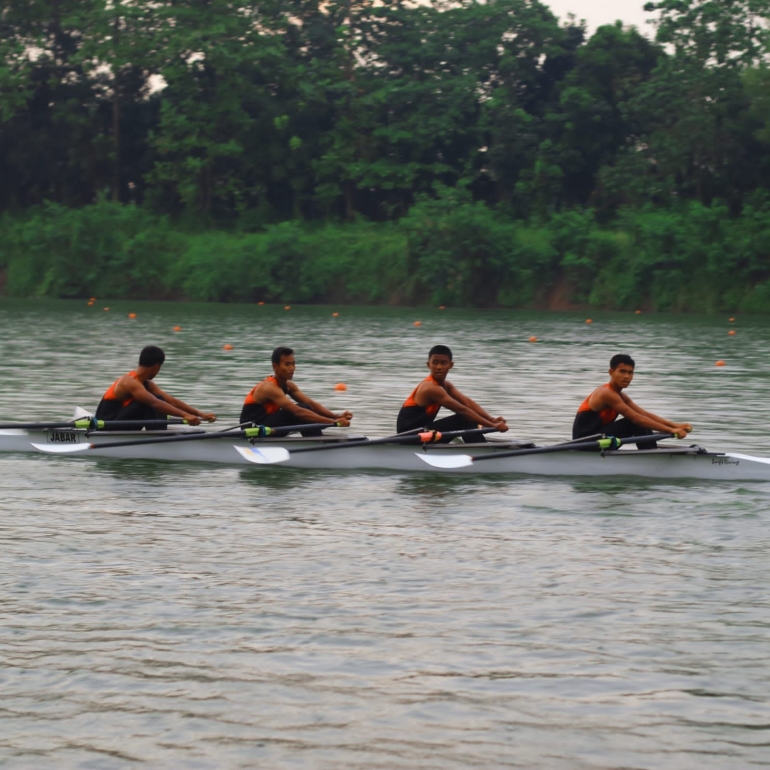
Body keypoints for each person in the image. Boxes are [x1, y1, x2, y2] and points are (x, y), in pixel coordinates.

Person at [572, 354, 692, 449]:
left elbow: (644, 414)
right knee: (635, 422)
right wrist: (671, 430)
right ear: (611, 372)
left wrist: (675, 425)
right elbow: (637, 419)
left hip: (599, 439)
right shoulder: (606, 393)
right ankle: (650, 457)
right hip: (584, 443)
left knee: (642, 421)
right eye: (622, 371)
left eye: (630, 372)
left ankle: (650, 452)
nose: (627, 376)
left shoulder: (621, 396)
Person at [396, 345, 508, 441]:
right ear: (428, 364)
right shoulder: (430, 388)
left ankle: (478, 445)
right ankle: (481, 451)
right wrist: (492, 425)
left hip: (423, 432)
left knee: (469, 419)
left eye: (443, 363)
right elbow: (462, 410)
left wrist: (491, 419)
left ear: (451, 365)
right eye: (435, 363)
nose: (439, 367)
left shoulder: (446, 385)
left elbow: (467, 403)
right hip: (408, 437)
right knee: (464, 418)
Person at [240, 347, 353, 436]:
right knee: (299, 410)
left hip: (269, 427)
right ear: (275, 367)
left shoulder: (288, 386)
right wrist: (331, 422)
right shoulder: (269, 387)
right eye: (287, 364)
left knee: (306, 407)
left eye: (293, 364)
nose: (292, 368)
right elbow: (298, 412)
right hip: (254, 430)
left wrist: (335, 416)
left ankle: (315, 441)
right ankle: (316, 444)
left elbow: (311, 404)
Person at [94, 346, 217, 427]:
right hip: (107, 425)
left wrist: (200, 414)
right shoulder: (129, 381)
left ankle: (159, 434)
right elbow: (154, 403)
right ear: (156, 366)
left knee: (160, 399)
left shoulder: (147, 384)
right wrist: (185, 415)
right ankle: (159, 437)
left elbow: (171, 401)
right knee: (150, 402)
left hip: (120, 422)